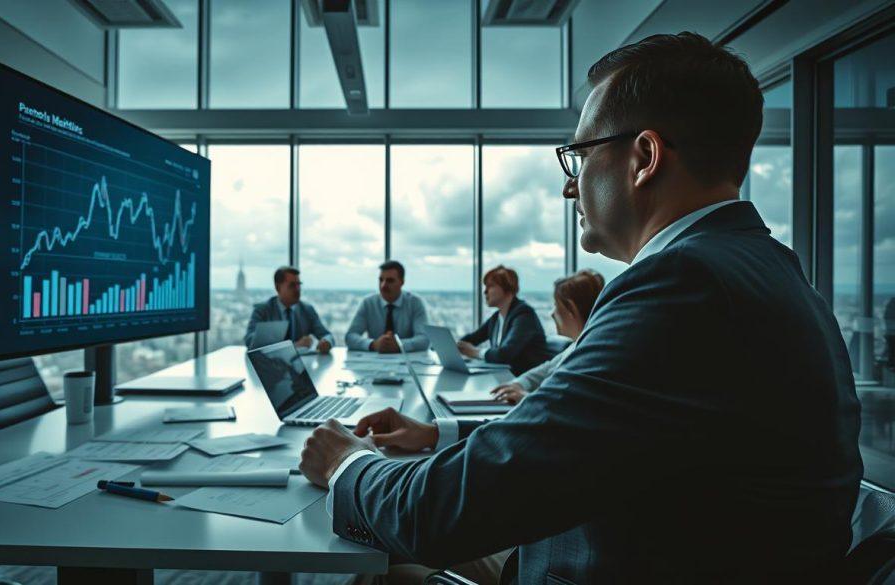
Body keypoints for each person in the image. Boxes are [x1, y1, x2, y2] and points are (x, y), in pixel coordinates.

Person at [300, 32, 861, 584]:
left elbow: (435, 515)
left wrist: (347, 463)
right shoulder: (763, 267)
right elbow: (579, 436)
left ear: (644, 158)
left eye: (581, 156)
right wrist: (437, 436)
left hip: (590, 562)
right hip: (628, 547)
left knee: (378, 568)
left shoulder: (682, 286)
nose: (570, 188)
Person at [491, 269, 605, 404]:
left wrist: (525, 397)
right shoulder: (578, 345)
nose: (552, 313)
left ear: (571, 308)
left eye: (556, 305)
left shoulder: (589, 356)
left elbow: (571, 406)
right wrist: (518, 384)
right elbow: (546, 369)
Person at [457, 265, 552, 376]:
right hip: (506, 377)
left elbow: (504, 354)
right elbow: (472, 339)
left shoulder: (524, 315)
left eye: (490, 286)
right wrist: (454, 346)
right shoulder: (497, 317)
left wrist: (474, 352)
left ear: (508, 289)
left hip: (525, 381)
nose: (485, 291)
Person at [243, 266, 333, 353]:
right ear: (278, 287)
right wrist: (293, 346)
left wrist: (326, 342)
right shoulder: (262, 310)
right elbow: (249, 341)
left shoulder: (307, 310)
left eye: (298, 285)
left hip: (301, 362)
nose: (297, 289)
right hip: (272, 362)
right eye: (292, 285)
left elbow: (327, 335)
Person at [345, 260, 429, 353]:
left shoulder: (414, 303)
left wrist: (400, 345)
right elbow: (350, 336)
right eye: (381, 280)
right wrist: (373, 344)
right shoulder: (368, 303)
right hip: (374, 359)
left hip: (407, 360)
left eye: (390, 281)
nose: (383, 285)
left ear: (402, 282)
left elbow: (424, 339)